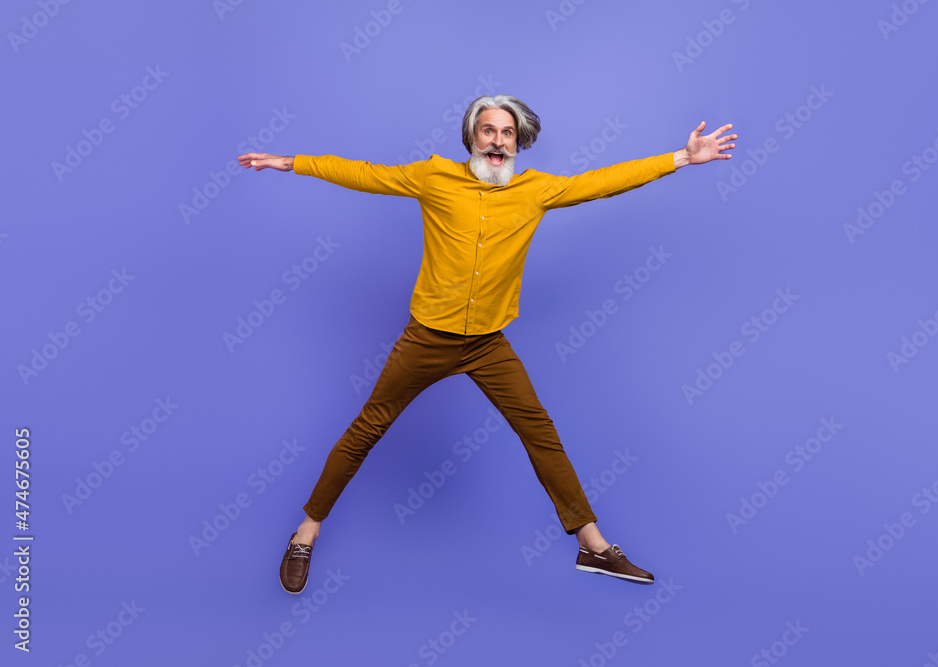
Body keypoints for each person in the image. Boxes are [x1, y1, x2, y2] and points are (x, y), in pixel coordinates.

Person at [237, 94, 736, 593]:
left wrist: (682, 158)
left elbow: (601, 183)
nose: (498, 141)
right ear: (472, 137)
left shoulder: (535, 191)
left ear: (519, 142)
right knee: (367, 428)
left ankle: (593, 545)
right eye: (489, 131)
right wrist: (290, 163)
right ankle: (307, 531)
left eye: (507, 133)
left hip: (487, 344)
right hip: (426, 339)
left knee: (540, 432)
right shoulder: (433, 178)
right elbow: (364, 174)